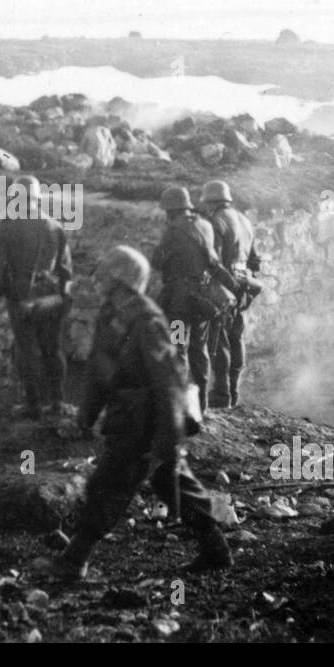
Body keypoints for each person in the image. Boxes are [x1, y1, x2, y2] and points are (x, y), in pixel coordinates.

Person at [34, 245, 232, 582]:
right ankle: (215, 549)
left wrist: (167, 439)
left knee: (108, 485)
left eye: (105, 275)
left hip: (143, 424)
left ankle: (74, 560)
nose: (98, 280)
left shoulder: (146, 319)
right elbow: (99, 372)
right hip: (129, 418)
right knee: (174, 486)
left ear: (121, 279)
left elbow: (168, 383)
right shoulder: (112, 313)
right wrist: (86, 416)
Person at [0, 175, 73, 419]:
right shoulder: (55, 226)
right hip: (50, 296)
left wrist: (4, 292)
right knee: (52, 348)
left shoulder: (8, 226)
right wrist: (63, 297)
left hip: (21, 296)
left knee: (27, 350)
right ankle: (57, 402)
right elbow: (66, 270)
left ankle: (33, 405)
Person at [150, 186, 236, 414]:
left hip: (178, 306)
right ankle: (203, 406)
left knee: (178, 347)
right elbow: (213, 262)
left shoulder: (172, 232)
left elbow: (157, 262)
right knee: (200, 350)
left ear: (170, 210)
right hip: (200, 303)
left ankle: (181, 407)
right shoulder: (206, 225)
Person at [200, 180, 262, 409]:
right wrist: (242, 282)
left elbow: (213, 261)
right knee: (236, 337)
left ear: (210, 202)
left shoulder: (215, 221)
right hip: (244, 285)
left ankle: (221, 395)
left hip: (225, 288)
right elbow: (255, 259)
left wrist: (223, 286)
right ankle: (233, 393)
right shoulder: (245, 221)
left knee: (220, 340)